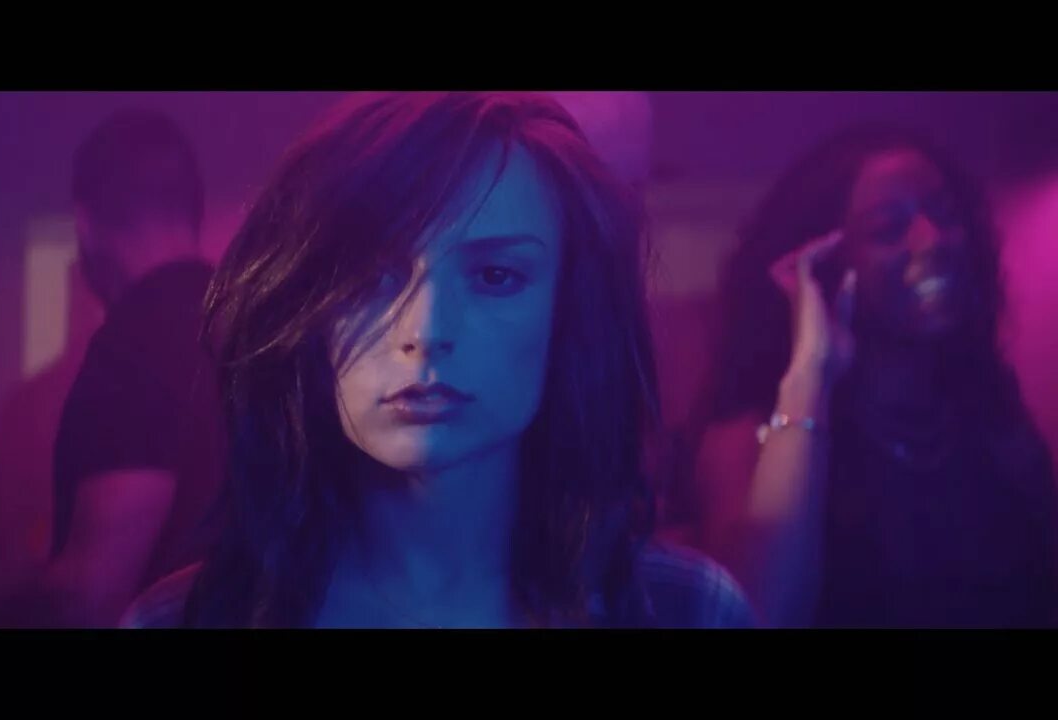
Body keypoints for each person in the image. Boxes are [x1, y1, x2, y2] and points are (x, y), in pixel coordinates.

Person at [123, 92, 753, 629]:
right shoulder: (183, 620)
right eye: (368, 276)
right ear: (306, 308)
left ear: (568, 310)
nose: (424, 331)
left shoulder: (685, 609)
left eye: (496, 276)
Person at [681, 125, 1058, 627]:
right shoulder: (745, 440)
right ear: (825, 264)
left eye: (946, 214)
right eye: (888, 230)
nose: (933, 240)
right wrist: (813, 371)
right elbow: (756, 614)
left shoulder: (988, 410)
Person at [22, 109, 225, 627]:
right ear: (194, 210)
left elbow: (94, 594)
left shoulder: (133, 346)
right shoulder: (249, 323)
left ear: (85, 225)